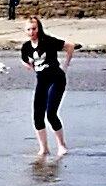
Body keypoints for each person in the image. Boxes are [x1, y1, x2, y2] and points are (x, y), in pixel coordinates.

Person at [19, 14, 72, 158]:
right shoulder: (26, 47)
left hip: (57, 79)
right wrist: (29, 66)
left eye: (34, 29)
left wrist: (65, 66)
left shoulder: (48, 41)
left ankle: (61, 145)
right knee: (37, 115)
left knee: (51, 114)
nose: (32, 32)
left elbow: (70, 46)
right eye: (29, 29)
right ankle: (44, 149)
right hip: (42, 81)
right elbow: (24, 59)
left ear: (39, 28)